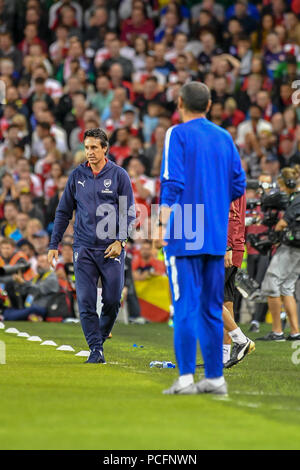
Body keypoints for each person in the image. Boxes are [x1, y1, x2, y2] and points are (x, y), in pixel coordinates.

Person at [158, 82, 246, 395]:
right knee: (211, 307)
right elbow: (239, 184)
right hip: (214, 234)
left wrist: (164, 216)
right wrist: (214, 204)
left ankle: (184, 379)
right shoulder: (225, 137)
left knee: (184, 306)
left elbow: (173, 179)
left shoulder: (176, 134)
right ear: (209, 105)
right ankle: (214, 378)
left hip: (184, 231)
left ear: (180, 102)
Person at [48, 128, 135, 364]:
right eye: (86, 148)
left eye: (94, 147)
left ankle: (101, 334)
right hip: (83, 248)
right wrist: (53, 243)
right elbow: (63, 211)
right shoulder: (77, 176)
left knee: (112, 300)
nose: (90, 152)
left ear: (105, 148)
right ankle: (96, 349)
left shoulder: (119, 175)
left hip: (111, 248)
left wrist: (120, 240)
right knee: (85, 301)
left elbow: (129, 212)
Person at [258, 166, 300, 341]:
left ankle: (277, 331)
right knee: (287, 286)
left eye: (282, 186)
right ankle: (295, 332)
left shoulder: (297, 199)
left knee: (271, 281)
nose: (281, 190)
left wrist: (273, 236)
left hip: (291, 248)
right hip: (297, 250)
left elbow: (283, 223)